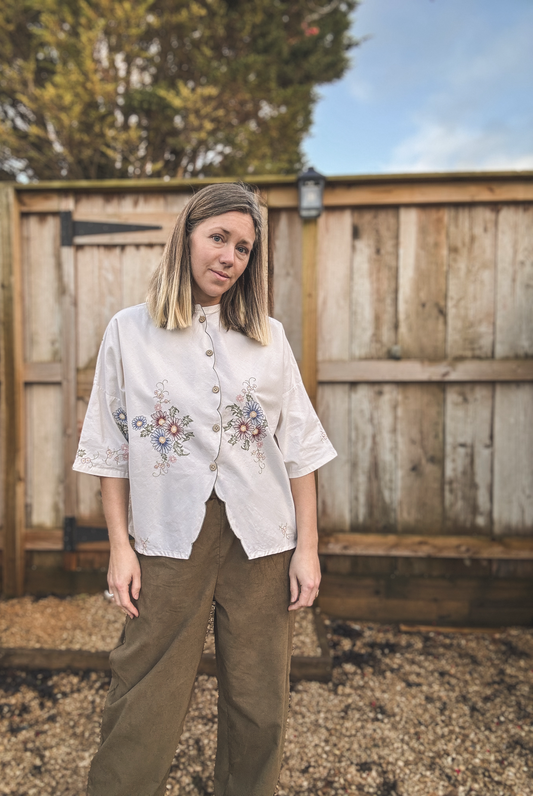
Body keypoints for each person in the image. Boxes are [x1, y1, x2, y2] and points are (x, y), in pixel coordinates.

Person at [73, 182, 337, 796]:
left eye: (244, 248)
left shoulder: (268, 338)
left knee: (260, 700)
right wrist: (120, 548)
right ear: (186, 237)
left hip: (263, 542)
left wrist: (307, 548)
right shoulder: (129, 332)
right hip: (168, 538)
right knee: (144, 694)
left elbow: (299, 449)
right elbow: (111, 448)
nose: (230, 257)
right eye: (219, 238)